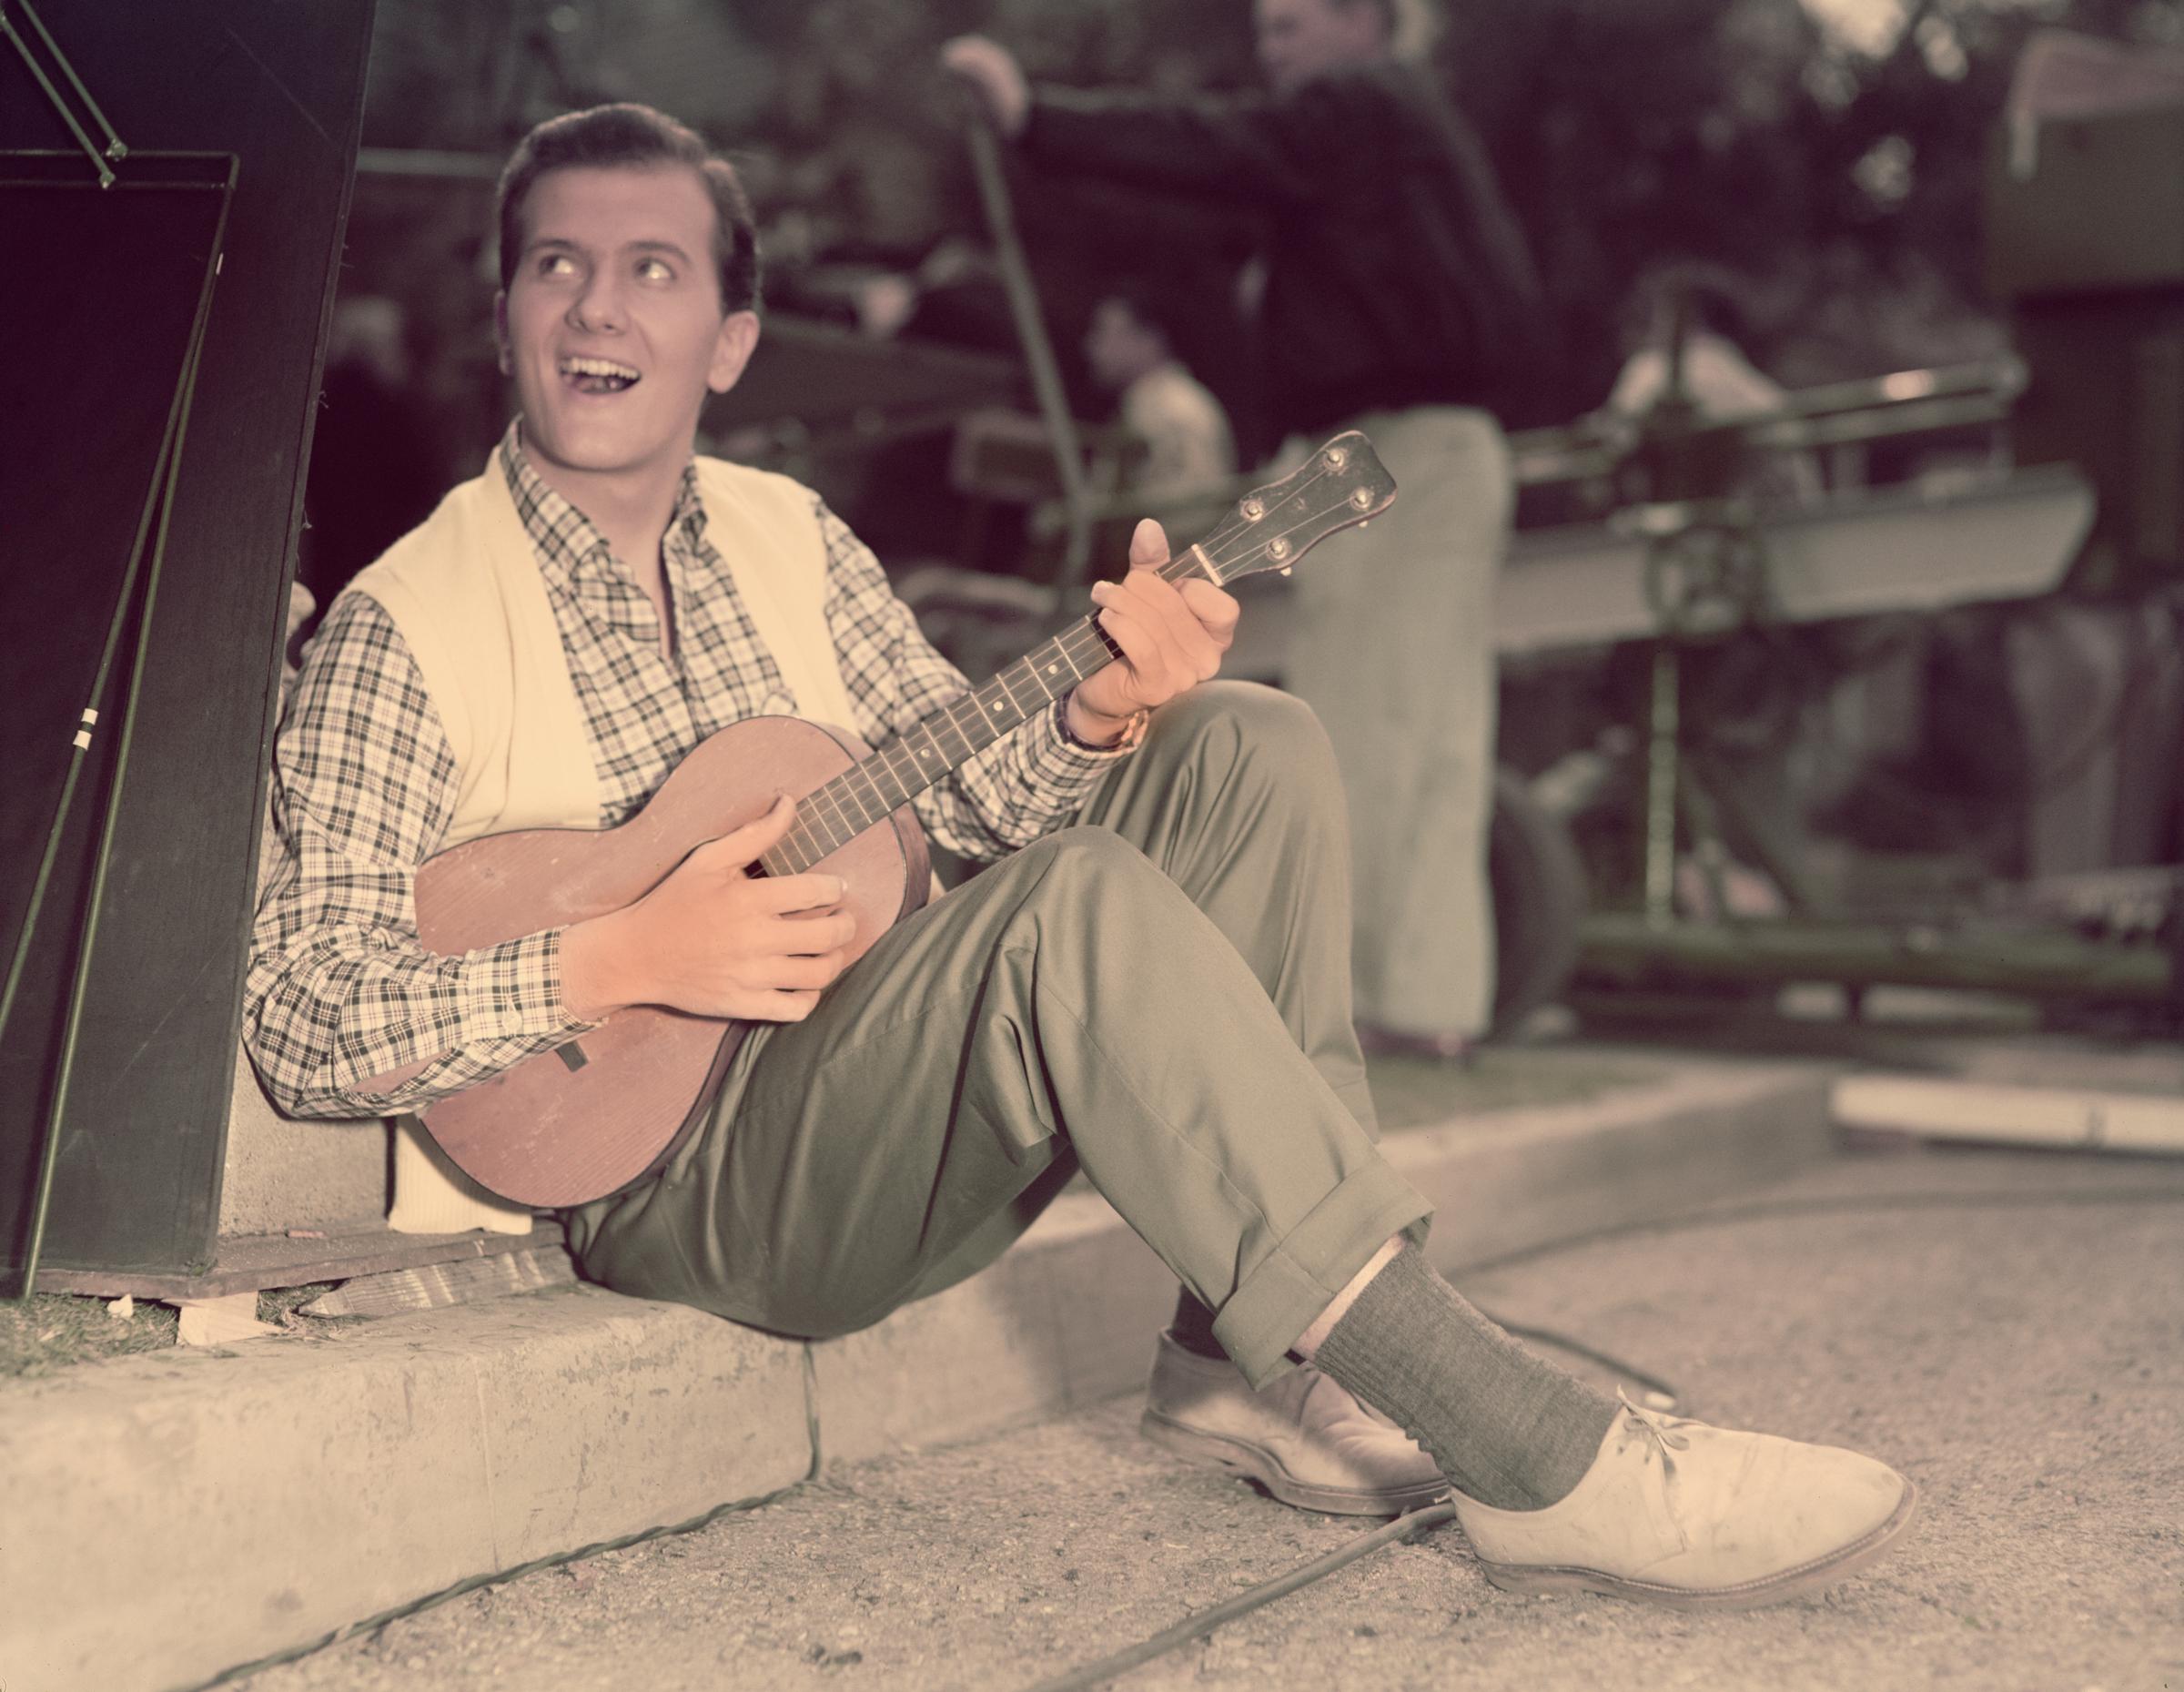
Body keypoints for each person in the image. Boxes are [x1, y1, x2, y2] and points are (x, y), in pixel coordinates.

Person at [245, 102, 1915, 1611]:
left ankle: (1232, 1360)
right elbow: (305, 1013)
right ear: (508, 316)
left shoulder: (789, 539)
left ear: (730, 336)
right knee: (1071, 909)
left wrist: (1105, 711)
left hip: (858, 1061)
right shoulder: (407, 621)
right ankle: (1532, 1448)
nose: (601, 306)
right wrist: (622, 956)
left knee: (1244, 742)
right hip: (671, 1171)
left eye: (654, 268)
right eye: (560, 266)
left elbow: (959, 803)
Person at [945, 0, 1544, 1061]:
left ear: (1366, 20)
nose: (1276, 54)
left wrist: (1042, 119)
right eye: (1266, 33)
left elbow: (1211, 150)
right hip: (1436, 444)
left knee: (1370, 724)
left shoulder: (1360, 106)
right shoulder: (1387, 146)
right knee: (1432, 730)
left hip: (1392, 449)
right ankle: (1426, 997)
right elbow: (1225, 183)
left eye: (1293, 27)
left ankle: (1358, 1002)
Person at [1083, 289, 1238, 502]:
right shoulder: (1143, 405)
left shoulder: (1176, 408)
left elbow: (1193, 514)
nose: (1091, 347)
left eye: (1104, 332)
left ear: (1149, 338)